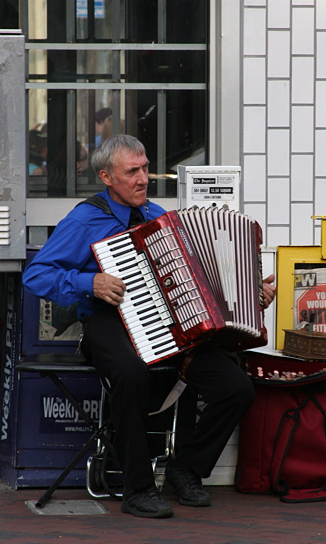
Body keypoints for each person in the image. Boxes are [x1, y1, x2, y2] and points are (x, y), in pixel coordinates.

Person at [23, 134, 276, 519]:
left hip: (172, 324)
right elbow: (37, 274)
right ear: (107, 177)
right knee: (131, 373)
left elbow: (201, 282)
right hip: (109, 321)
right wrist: (88, 282)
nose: (143, 179)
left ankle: (185, 468)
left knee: (235, 387)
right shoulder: (85, 218)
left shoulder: (161, 217)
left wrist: (250, 295)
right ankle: (137, 487)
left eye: (145, 169)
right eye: (132, 172)